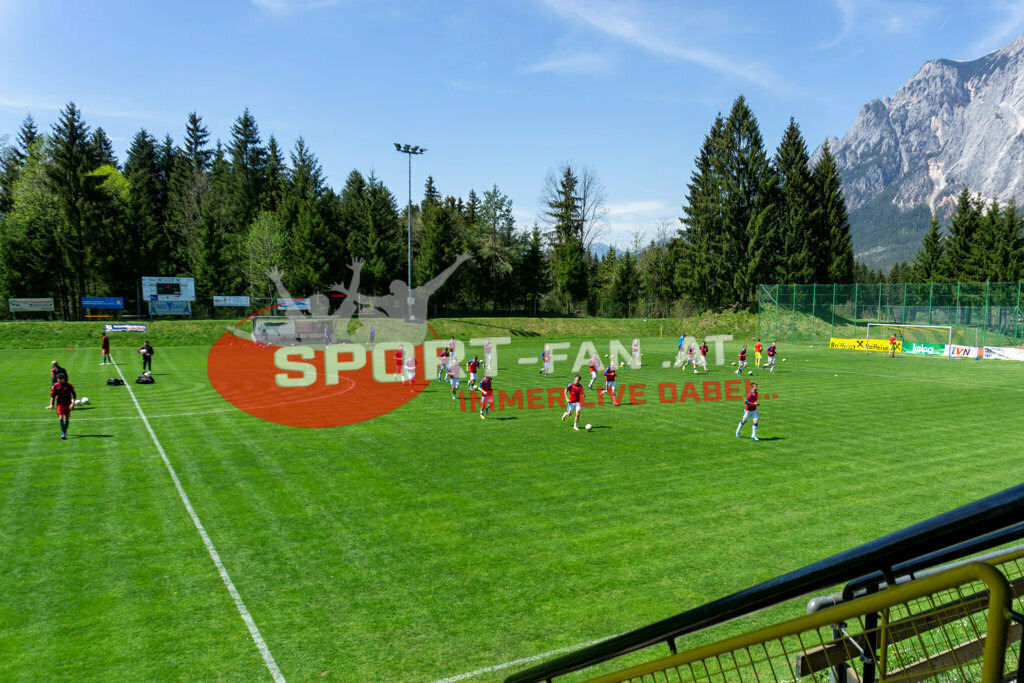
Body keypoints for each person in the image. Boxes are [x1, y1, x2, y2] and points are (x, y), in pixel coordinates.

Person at [48, 373, 77, 440]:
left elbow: (74, 395)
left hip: (68, 404)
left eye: (61, 379)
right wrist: (51, 404)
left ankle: (64, 432)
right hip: (60, 404)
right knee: (61, 417)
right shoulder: (55, 386)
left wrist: (73, 403)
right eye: (58, 379)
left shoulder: (69, 385)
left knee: (66, 418)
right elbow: (52, 396)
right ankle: (63, 433)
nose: (59, 380)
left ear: (64, 379)